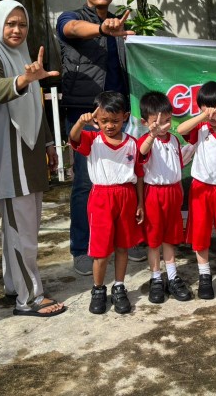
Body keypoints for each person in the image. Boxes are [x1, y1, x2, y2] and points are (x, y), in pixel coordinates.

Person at [0, 0, 66, 318]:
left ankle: (14, 286)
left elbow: (33, 108)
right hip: (10, 154)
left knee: (20, 226)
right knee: (21, 230)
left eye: (22, 24)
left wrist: (49, 143)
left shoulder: (21, 55)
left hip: (28, 151)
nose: (16, 30)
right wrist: (23, 81)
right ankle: (28, 298)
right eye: (10, 23)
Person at [56, 0, 144, 275]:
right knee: (85, 182)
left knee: (125, 178)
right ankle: (82, 247)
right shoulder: (72, 18)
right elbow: (70, 30)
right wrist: (102, 28)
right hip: (86, 113)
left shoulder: (121, 24)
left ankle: (127, 241)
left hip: (121, 115)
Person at [68, 92, 144, 315]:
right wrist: (80, 123)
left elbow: (138, 174)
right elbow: (73, 138)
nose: (110, 125)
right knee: (101, 251)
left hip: (126, 196)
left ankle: (119, 286)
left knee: (122, 246)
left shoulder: (133, 144)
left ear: (125, 117)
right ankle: (98, 288)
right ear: (95, 119)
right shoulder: (92, 140)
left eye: (115, 120)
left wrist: (140, 202)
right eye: (104, 121)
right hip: (101, 198)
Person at [176, 81, 216, 299]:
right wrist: (203, 117)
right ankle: (204, 275)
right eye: (209, 110)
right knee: (200, 233)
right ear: (202, 109)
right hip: (200, 190)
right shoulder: (200, 129)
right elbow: (180, 129)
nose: (214, 116)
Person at [136, 91, 193, 303]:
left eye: (167, 121)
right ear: (145, 122)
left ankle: (172, 276)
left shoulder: (175, 141)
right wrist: (151, 134)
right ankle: (156, 278)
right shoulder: (146, 140)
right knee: (154, 240)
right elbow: (141, 153)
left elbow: (178, 164)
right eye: (157, 122)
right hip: (153, 194)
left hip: (173, 192)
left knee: (170, 237)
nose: (163, 126)